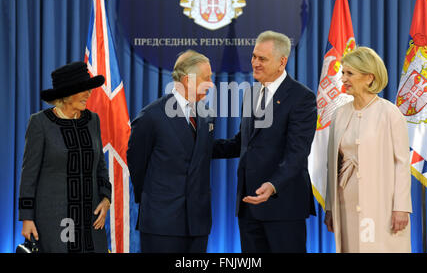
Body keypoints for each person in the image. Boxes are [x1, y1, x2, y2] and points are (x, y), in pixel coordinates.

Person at [213, 30, 317, 253]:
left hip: (283, 206)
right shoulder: (251, 94)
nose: (255, 63)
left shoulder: (302, 97)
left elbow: (297, 153)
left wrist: (273, 185)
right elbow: (242, 143)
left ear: (282, 62)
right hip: (249, 206)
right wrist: (200, 146)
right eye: (253, 56)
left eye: (262, 58)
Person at [324, 47, 412, 253]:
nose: (343, 78)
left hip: (381, 204)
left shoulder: (390, 112)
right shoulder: (339, 114)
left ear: (369, 77)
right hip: (345, 202)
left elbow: (402, 163)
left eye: (349, 73)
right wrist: (330, 207)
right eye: (343, 73)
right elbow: (332, 165)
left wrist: (401, 206)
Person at [18, 61, 111, 253]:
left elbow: (100, 165)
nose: (89, 93)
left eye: (89, 89)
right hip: (54, 221)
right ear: (66, 95)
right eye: (83, 89)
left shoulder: (92, 120)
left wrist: (106, 198)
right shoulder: (40, 123)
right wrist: (27, 218)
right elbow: (29, 175)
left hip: (91, 222)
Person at [127, 50, 215, 253]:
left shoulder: (205, 113)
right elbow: (136, 163)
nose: (211, 84)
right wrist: (154, 199)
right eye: (207, 78)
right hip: (162, 223)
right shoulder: (151, 116)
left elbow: (201, 150)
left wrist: (245, 141)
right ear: (187, 80)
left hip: (198, 223)